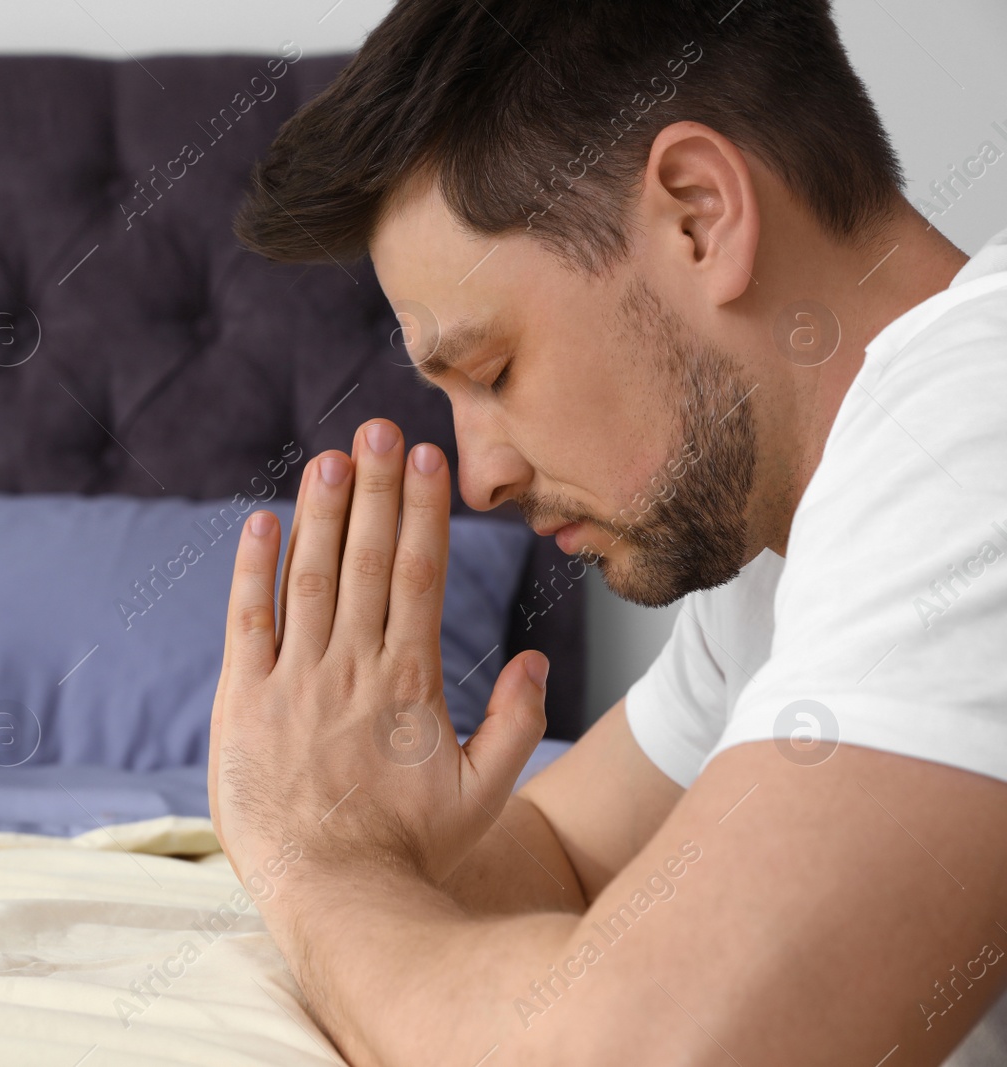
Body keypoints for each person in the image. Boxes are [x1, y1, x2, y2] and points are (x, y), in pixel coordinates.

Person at [208, 1, 1007, 1063]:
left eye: (489, 370)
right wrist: (369, 829)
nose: (479, 474)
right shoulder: (790, 542)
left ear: (698, 214)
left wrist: (314, 864)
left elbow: (646, 1049)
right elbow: (569, 856)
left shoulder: (971, 429)